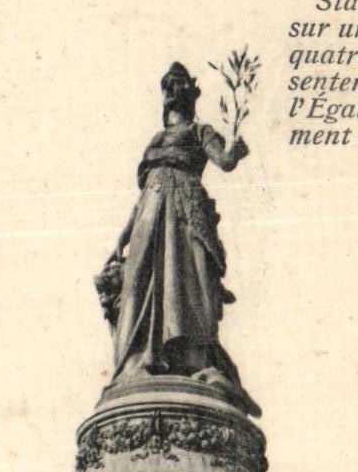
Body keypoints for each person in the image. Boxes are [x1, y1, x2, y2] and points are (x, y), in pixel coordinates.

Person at [98, 62, 255, 408]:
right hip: (151, 212)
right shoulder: (155, 141)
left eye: (177, 83)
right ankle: (141, 361)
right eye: (166, 85)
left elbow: (224, 161)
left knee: (190, 284)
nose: (171, 90)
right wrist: (121, 240)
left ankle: (193, 361)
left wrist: (234, 151)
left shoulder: (201, 131)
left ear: (190, 92)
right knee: (141, 283)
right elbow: (141, 198)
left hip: (185, 210)